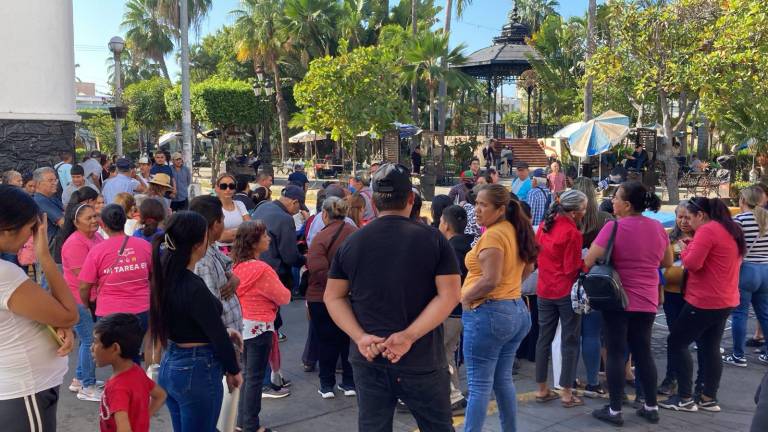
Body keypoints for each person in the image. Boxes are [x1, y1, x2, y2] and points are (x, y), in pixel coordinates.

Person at [325, 163, 461, 432]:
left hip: (369, 356)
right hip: (421, 359)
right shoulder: (434, 240)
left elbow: (334, 297)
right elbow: (450, 295)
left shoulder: (352, 242)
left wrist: (361, 337)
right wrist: (408, 336)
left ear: (373, 202)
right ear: (411, 200)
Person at [586, 181, 672, 426]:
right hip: (647, 300)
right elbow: (666, 261)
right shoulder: (657, 228)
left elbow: (591, 259)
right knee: (643, 352)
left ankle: (614, 410)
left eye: (616, 197)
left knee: (615, 353)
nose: (612, 200)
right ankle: (651, 406)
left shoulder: (612, 228)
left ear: (627, 204)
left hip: (617, 300)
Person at [150, 211, 242, 431]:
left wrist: (224, 333)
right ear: (197, 244)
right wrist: (233, 369)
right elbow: (217, 333)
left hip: (171, 364)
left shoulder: (164, 275)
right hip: (196, 369)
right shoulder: (192, 285)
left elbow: (188, 321)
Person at [460, 183, 538, 431]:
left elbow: (490, 280)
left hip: (490, 313)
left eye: (484, 205)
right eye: (476, 204)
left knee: (479, 384)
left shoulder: (494, 235)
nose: (477, 210)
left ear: (500, 209)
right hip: (514, 310)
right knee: (502, 379)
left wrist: (465, 298)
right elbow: (528, 267)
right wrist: (511, 285)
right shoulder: (513, 230)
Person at [0, 185, 78, 430]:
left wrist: (54, 323)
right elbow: (69, 314)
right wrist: (44, 255)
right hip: (24, 390)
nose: (33, 234)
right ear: (7, 230)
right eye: (32, 227)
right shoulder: (5, 275)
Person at [659, 197, 745, 413]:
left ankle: (685, 397)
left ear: (701, 215)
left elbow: (692, 263)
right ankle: (708, 397)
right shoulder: (732, 230)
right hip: (726, 298)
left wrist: (686, 249)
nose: (688, 221)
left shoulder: (708, 231)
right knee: (710, 347)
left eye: (690, 217)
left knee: (677, 342)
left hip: (705, 299)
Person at [231, 220, 290, 431]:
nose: (269, 239)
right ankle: (251, 425)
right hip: (260, 327)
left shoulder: (235, 266)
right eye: (265, 236)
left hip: (240, 327)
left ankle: (240, 422)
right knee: (254, 379)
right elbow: (284, 297)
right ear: (254, 242)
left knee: (246, 376)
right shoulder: (262, 270)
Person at [78, 205, 152, 366]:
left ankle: (124, 387)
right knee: (132, 353)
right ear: (125, 220)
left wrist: (86, 304)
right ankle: (135, 386)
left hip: (109, 313)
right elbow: (155, 277)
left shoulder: (98, 251)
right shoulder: (144, 246)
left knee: (116, 357)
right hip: (140, 310)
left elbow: (84, 286)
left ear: (103, 225)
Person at [534, 190, 587, 408]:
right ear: (574, 212)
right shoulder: (572, 233)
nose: (585, 213)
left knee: (543, 339)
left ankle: (542, 388)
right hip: (565, 292)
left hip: (544, 289)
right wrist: (588, 263)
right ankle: (566, 392)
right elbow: (571, 268)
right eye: (583, 209)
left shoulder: (545, 227)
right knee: (570, 340)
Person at [307, 196, 358, 399]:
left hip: (321, 297)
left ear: (325, 214)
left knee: (326, 341)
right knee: (349, 339)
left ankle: (327, 384)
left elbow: (317, 269)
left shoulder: (320, 238)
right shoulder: (356, 234)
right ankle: (349, 382)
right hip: (352, 296)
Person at [570, 177, 612, 397]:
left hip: (571, 281)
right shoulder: (605, 220)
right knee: (593, 334)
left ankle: (569, 377)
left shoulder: (570, 220)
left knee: (572, 334)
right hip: (597, 281)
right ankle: (593, 381)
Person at [93, 313, 167, 432]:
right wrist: (143, 419)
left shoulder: (117, 388)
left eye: (96, 342)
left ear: (115, 348)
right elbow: (160, 395)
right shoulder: (136, 371)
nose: (92, 348)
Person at [60, 201, 104, 400]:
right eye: (89, 218)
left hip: (91, 298)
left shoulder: (95, 236)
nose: (94, 220)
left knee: (87, 339)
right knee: (89, 341)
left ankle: (78, 379)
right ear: (76, 222)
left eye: (95, 216)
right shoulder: (74, 243)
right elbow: (82, 277)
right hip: (79, 299)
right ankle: (88, 386)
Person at [724, 185, 768, 367]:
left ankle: (738, 354)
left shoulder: (739, 220)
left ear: (743, 200)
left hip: (747, 270)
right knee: (764, 313)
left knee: (739, 314)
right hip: (766, 269)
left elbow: (731, 247)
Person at [658, 201, 699, 396]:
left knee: (694, 338)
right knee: (675, 337)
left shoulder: (702, 238)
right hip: (672, 294)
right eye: (679, 216)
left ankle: (697, 381)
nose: (683, 221)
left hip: (695, 294)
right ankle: (671, 377)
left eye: (687, 217)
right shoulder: (667, 236)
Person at [189, 195, 244, 337]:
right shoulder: (203, 261)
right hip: (220, 341)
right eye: (223, 219)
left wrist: (233, 278)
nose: (225, 223)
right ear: (216, 224)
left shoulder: (210, 247)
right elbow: (210, 312)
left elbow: (226, 264)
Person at [437, 204, 474, 412]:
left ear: (447, 225)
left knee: (436, 352)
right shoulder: (471, 246)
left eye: (442, 221)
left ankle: (452, 394)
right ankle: (455, 395)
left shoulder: (447, 249)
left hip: (449, 310)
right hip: (465, 310)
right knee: (447, 352)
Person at [251, 184, 306, 288]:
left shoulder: (263, 206)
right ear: (295, 202)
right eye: (299, 207)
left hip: (254, 268)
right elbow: (290, 257)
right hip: (274, 274)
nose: (298, 211)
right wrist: (305, 260)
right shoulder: (286, 219)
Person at [214, 173, 251, 252]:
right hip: (221, 252)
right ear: (217, 188)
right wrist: (243, 232)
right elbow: (221, 237)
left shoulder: (240, 204)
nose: (228, 189)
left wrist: (229, 233)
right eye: (223, 186)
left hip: (241, 249)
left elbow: (251, 228)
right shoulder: (214, 207)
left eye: (231, 186)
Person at [33, 167, 65, 249]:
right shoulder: (40, 200)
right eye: (50, 180)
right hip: (51, 246)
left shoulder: (51, 197)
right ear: (38, 184)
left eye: (55, 180)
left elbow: (67, 211)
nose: (54, 183)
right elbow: (63, 223)